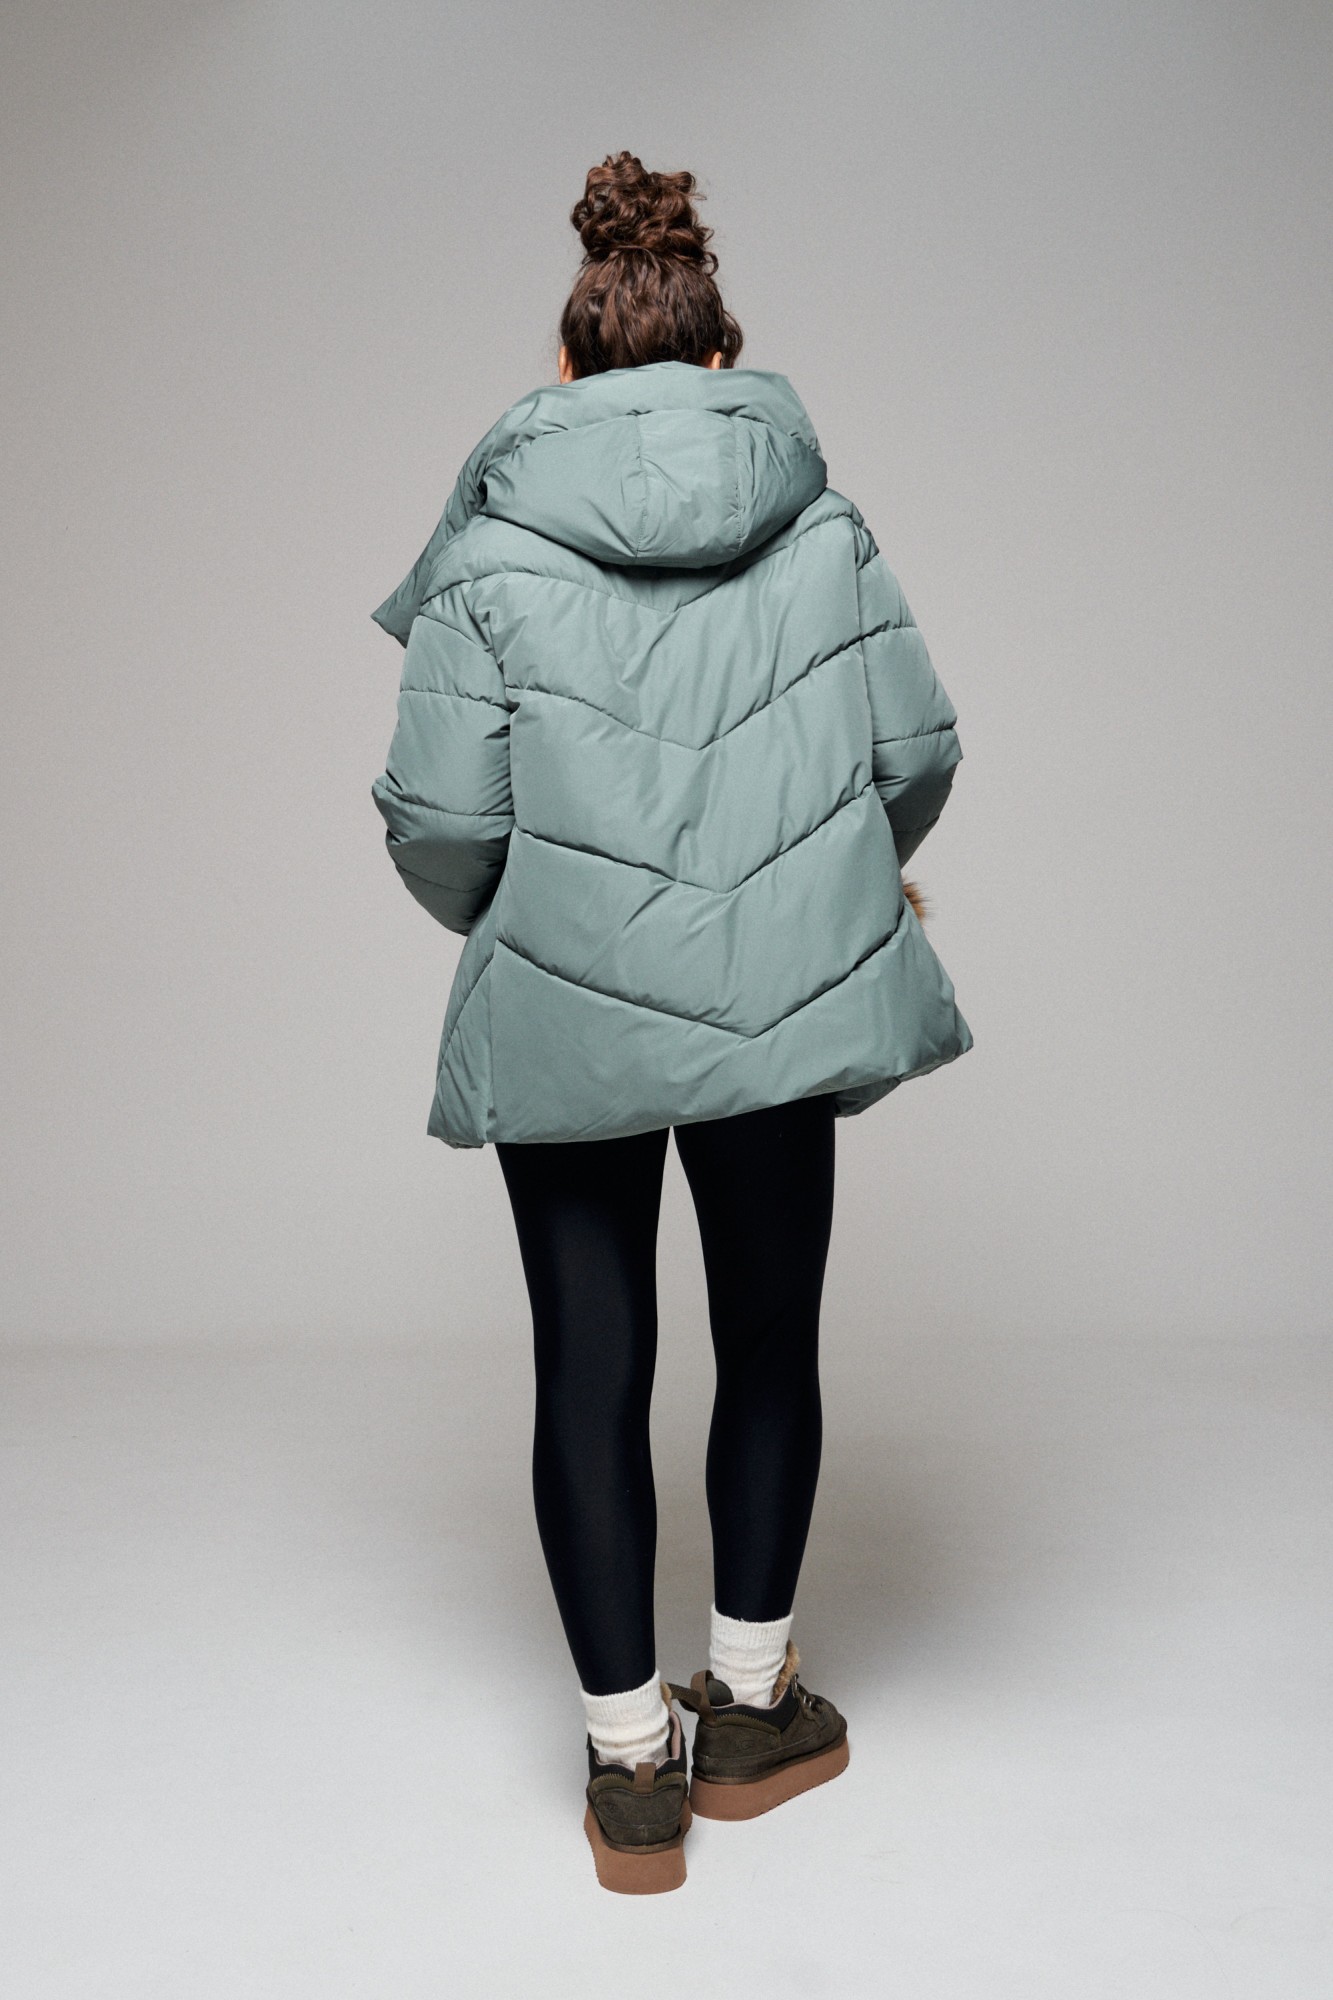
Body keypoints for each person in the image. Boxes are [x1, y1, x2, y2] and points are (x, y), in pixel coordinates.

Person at [370, 152, 972, 1894]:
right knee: (768, 1337)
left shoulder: (490, 549)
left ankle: (629, 1769)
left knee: (589, 1362)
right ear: (722, 359)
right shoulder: (825, 527)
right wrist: (815, 889)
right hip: (778, 1005)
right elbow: (917, 755)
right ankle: (756, 1709)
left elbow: (437, 823)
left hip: (566, 1016)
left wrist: (543, 926)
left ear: (566, 364)